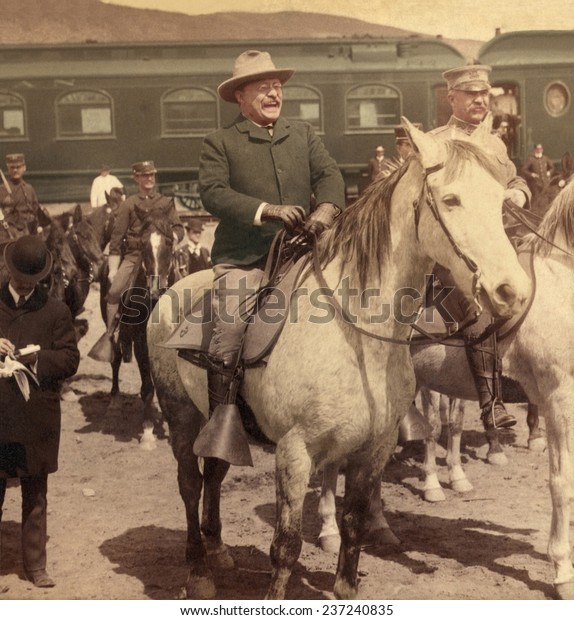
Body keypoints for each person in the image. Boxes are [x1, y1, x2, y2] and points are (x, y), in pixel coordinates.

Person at [195, 49, 346, 464]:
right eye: (263, 87)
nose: (273, 92)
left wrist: (325, 210)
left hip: (303, 252)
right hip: (246, 258)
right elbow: (213, 192)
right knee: (228, 330)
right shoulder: (221, 142)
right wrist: (268, 211)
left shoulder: (302, 134)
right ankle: (223, 425)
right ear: (240, 97)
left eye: (277, 86)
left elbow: (330, 175)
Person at [429, 64, 531, 432]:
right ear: (451, 97)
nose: (479, 100)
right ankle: (492, 405)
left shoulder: (494, 142)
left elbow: (514, 176)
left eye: (484, 94)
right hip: (455, 254)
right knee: (479, 310)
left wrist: (518, 191)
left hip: (496, 244)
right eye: (470, 94)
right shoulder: (436, 142)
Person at [0, 236, 80, 589]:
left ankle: (35, 566)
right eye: (20, 280)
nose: (25, 286)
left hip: (36, 418)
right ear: (8, 271)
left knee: (36, 494)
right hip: (0, 415)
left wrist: (38, 358)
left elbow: (70, 359)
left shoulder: (55, 312)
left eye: (32, 281)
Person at [90, 161, 184, 361]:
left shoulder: (166, 202)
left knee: (186, 285)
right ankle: (112, 335)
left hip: (162, 255)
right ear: (136, 178)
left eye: (152, 175)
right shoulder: (128, 204)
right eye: (144, 176)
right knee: (114, 291)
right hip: (134, 256)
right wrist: (113, 270)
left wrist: (170, 238)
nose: (149, 179)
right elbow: (116, 241)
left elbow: (179, 228)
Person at [0, 154, 51, 236]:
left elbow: (36, 209)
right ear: (8, 169)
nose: (15, 170)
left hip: (31, 230)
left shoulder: (29, 188)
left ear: (24, 168)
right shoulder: (2, 189)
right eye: (12, 168)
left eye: (18, 167)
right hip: (12, 232)